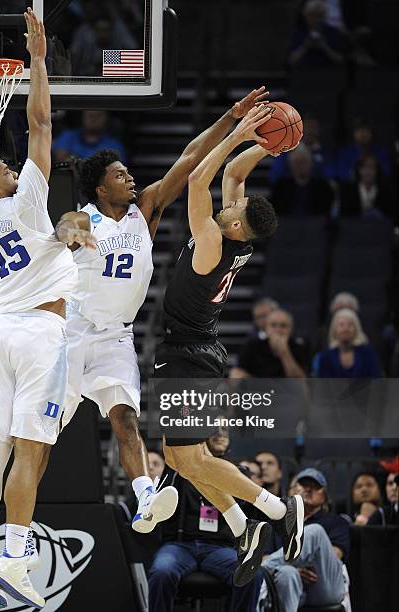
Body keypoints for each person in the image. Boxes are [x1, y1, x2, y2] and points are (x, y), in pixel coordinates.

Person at [54, 88, 271, 535]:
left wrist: (231, 116)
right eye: (119, 175)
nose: (129, 178)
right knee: (42, 435)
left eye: (128, 171)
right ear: (100, 187)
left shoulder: (145, 209)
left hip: (116, 335)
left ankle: (145, 499)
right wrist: (68, 235)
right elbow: (59, 234)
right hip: (70, 333)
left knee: (126, 418)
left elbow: (191, 159)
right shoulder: (80, 217)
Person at [0, 9, 95, 609]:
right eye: (2, 168)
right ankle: (15, 561)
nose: (11, 167)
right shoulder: (25, 201)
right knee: (31, 449)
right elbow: (40, 120)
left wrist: (5, 313)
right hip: (41, 331)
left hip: (2, 335)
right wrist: (38, 61)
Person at [153, 115, 304, 588]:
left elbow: (200, 176)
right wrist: (268, 147)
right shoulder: (237, 237)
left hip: (188, 354)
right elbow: (233, 175)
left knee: (192, 460)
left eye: (230, 208)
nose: (225, 204)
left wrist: (238, 135)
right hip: (195, 350)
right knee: (177, 458)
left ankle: (278, 510)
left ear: (235, 223)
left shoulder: (212, 241)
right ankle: (244, 528)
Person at [149, 444, 263, 612]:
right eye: (214, 427)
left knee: (251, 573)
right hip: (180, 546)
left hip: (219, 548)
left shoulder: (235, 471)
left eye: (224, 428)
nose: (219, 433)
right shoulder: (181, 467)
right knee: (162, 571)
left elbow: (245, 504)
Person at [262, 468, 349, 611]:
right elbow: (265, 557)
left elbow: (334, 556)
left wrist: (274, 564)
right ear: (292, 491)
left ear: (325, 496)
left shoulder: (336, 522)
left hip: (323, 585)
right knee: (287, 573)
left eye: (315, 486)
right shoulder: (276, 523)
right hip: (289, 586)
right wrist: (294, 569)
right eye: (303, 485)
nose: (308, 489)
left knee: (315, 531)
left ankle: (259, 570)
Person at [232, 308, 310, 379]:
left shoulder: (300, 347)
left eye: (283, 326)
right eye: (273, 325)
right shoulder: (252, 345)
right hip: (259, 391)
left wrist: (284, 352)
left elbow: (300, 380)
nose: (278, 330)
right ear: (266, 328)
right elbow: (237, 372)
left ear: (290, 329)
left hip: (288, 392)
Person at [313, 308, 381, 377]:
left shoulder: (368, 354)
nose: (345, 329)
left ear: (356, 329)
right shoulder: (325, 357)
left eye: (350, 325)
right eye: (341, 325)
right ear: (334, 330)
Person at [270, 144, 335, 216]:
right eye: (297, 162)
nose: (301, 166)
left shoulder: (323, 187)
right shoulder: (280, 188)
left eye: (304, 162)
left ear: (311, 164)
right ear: (290, 166)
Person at [288, 0, 346, 67]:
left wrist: (325, 47)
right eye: (312, 15)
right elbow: (290, 61)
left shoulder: (333, 32)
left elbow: (341, 60)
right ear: (305, 15)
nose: (315, 19)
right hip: (304, 73)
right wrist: (305, 47)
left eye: (319, 15)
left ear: (325, 16)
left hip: (328, 72)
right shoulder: (299, 32)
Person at [53, 110, 126, 162]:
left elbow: (117, 170)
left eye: (98, 116)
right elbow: (61, 161)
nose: (93, 119)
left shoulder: (114, 145)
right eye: (90, 115)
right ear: (82, 117)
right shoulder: (68, 136)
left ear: (106, 118)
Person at [340, 154, 392, 220]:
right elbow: (344, 216)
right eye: (364, 167)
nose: (368, 171)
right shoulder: (347, 191)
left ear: (377, 171)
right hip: (354, 228)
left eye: (372, 167)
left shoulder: (385, 192)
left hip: (378, 228)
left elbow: (390, 216)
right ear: (359, 170)